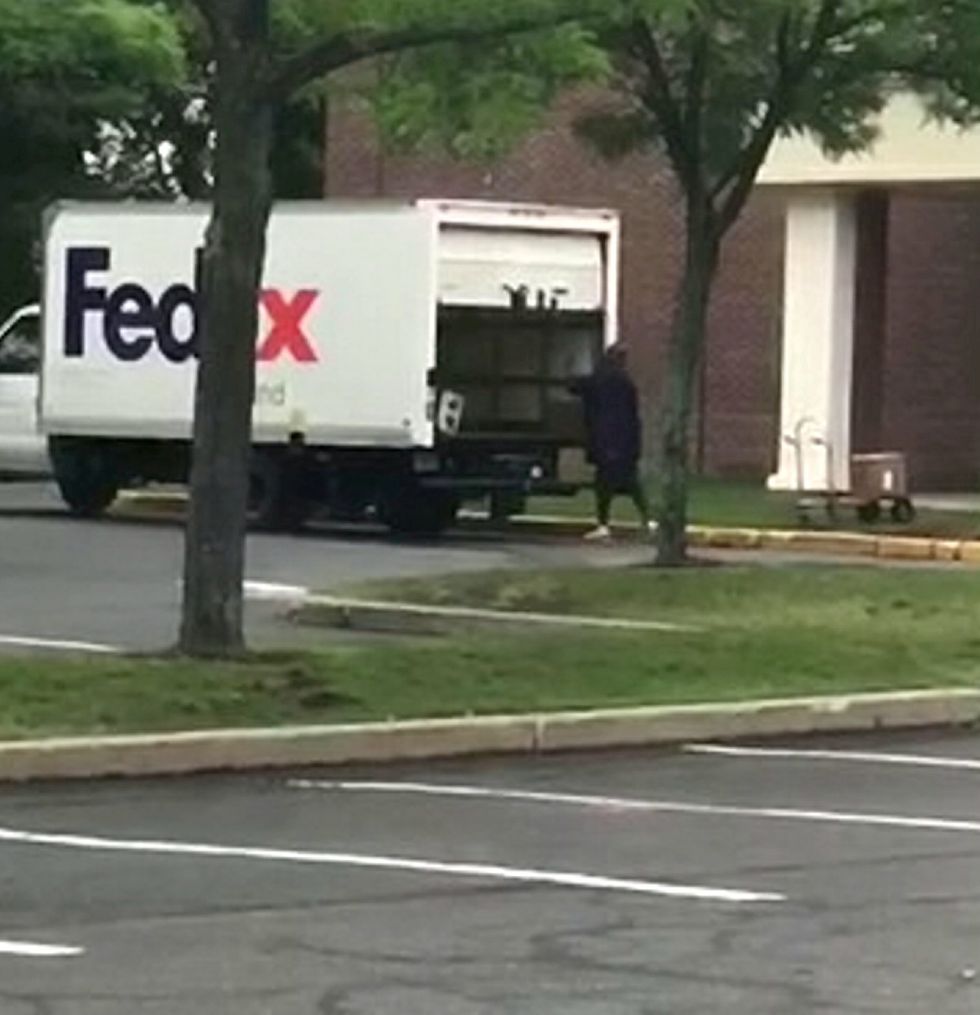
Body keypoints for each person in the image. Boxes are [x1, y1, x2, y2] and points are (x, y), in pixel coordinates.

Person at [571, 344, 653, 541]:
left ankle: (603, 524)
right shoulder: (627, 384)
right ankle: (648, 520)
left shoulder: (601, 380)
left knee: (604, 486)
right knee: (632, 484)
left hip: (606, 441)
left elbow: (575, 387)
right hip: (626, 443)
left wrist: (571, 366)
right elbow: (633, 416)